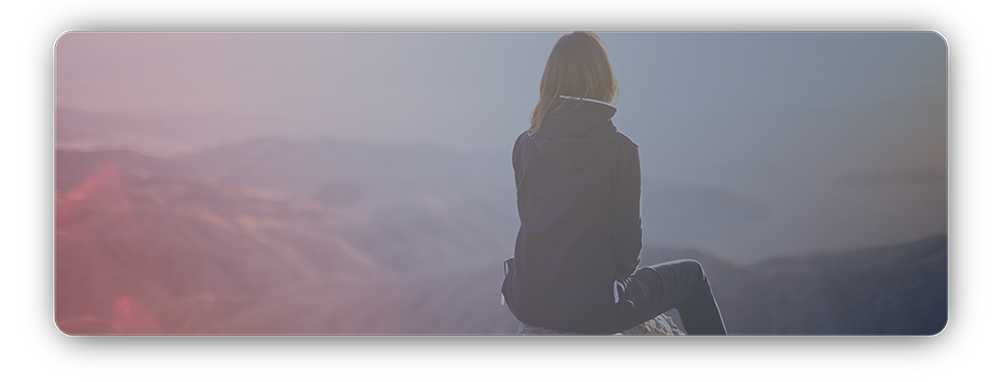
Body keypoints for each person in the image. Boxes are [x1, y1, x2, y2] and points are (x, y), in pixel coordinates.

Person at [501, 32, 728, 335]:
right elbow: (627, 253)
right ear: (603, 79)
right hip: (593, 311)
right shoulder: (620, 150)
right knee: (693, 277)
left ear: (549, 80)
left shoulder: (523, 145)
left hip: (526, 300)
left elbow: (537, 225)